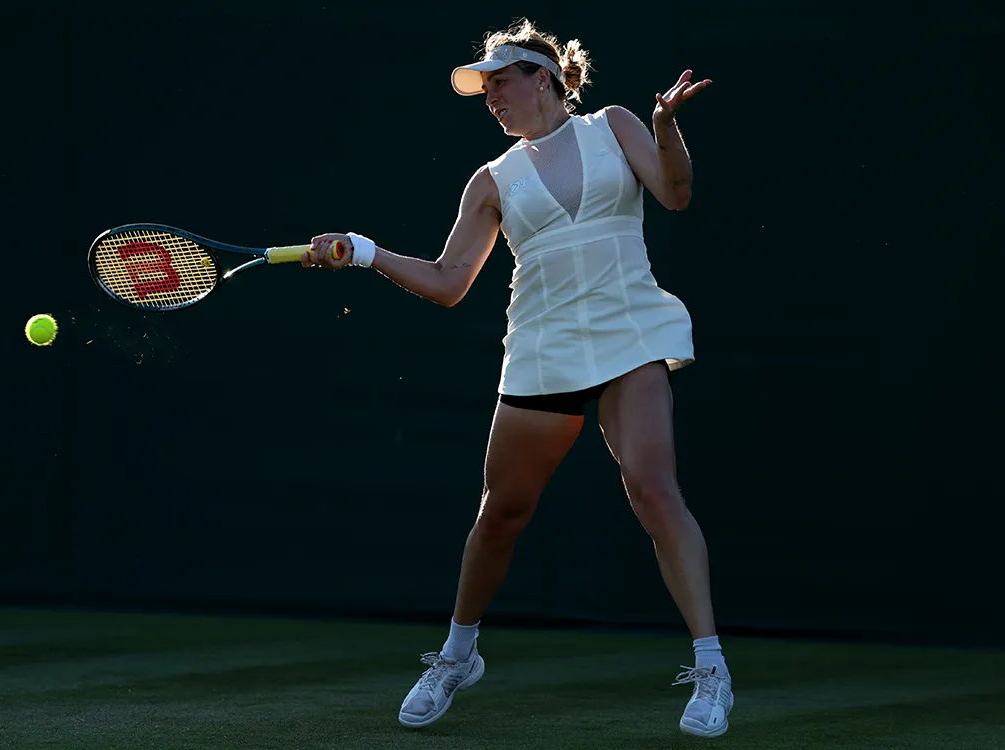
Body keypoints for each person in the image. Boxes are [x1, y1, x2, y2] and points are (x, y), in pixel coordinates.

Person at [302, 18, 733, 739]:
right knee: (501, 514)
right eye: (484, 89)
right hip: (544, 345)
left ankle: (711, 668)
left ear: (546, 78)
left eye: (502, 81)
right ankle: (456, 654)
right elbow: (447, 282)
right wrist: (365, 252)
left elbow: (676, 194)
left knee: (655, 491)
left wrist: (666, 129)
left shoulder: (617, 125)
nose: (492, 97)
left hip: (630, 332)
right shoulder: (492, 179)